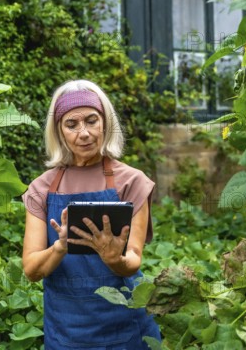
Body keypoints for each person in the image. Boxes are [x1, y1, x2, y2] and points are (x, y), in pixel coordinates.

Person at [22, 79, 161, 349]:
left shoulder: (132, 182)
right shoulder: (41, 189)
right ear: (59, 132)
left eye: (91, 121)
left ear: (105, 124)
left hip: (125, 324)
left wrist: (114, 259)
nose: (83, 133)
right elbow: (30, 269)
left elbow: (132, 259)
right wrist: (59, 248)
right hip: (66, 330)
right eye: (71, 125)